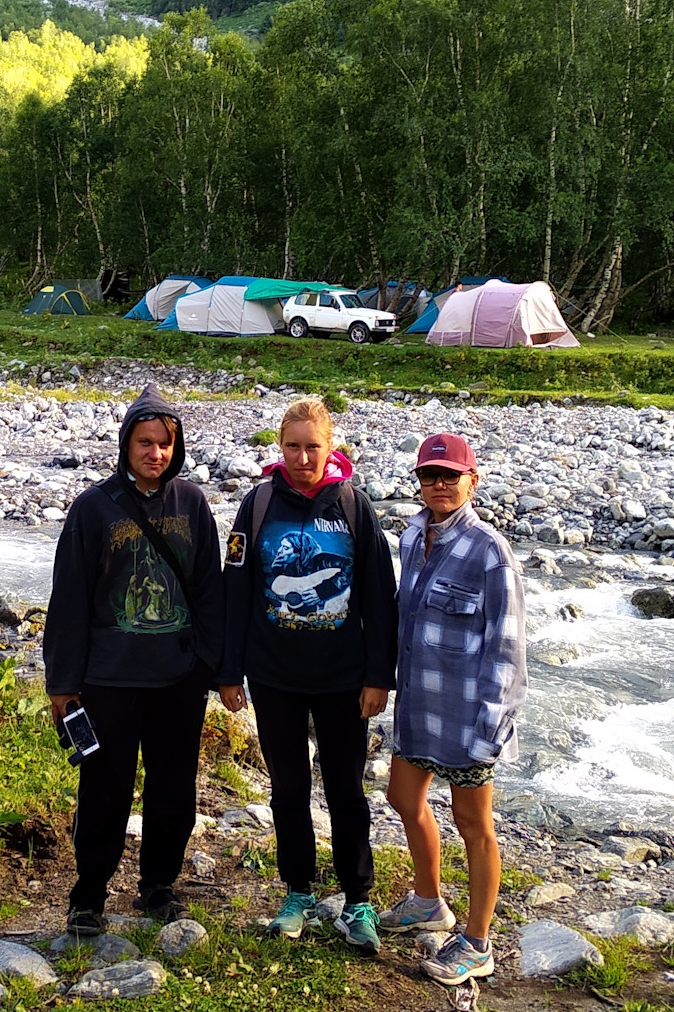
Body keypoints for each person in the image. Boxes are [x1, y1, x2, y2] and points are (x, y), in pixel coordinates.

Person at [219, 398, 398, 955]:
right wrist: (229, 672)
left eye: (313, 446)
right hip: (274, 676)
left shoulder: (354, 506)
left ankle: (357, 898)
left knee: (346, 789)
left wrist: (379, 676)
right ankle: (297, 891)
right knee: (288, 789)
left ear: (331, 447)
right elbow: (235, 591)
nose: (303, 458)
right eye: (293, 446)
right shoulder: (257, 505)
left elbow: (380, 597)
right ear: (280, 447)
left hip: (344, 677)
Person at [43, 382, 223, 936]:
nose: (155, 454)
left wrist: (212, 668)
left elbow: (210, 592)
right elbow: (69, 597)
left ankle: (158, 887)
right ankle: (88, 898)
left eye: (165, 445)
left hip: (176, 675)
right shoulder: (93, 508)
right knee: (105, 787)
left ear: (177, 448)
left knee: (174, 786)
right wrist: (62, 683)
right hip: (109, 677)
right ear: (126, 444)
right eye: (145, 442)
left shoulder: (192, 504)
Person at [380, 432, 527, 986]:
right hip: (419, 702)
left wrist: (495, 719)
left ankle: (478, 941)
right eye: (429, 476)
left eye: (450, 475)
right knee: (401, 796)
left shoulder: (490, 550)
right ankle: (428, 900)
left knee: (473, 823)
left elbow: (508, 642)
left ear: (472, 480)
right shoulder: (413, 535)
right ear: (418, 482)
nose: (439, 485)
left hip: (469, 713)